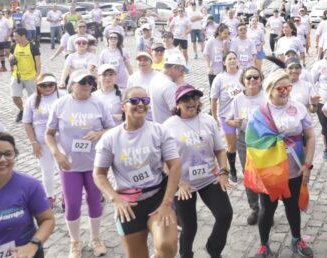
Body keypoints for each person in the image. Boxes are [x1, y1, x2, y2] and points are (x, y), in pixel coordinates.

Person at [94, 86, 181, 258]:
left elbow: (175, 165)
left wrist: (166, 203)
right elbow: (99, 174)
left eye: (145, 101)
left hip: (157, 198)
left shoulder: (159, 131)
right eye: (134, 101)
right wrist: (115, 198)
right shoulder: (110, 138)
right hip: (128, 206)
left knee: (167, 246)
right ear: (122, 105)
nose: (140, 104)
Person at [246, 70, 315, 258]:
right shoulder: (259, 113)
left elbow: (310, 136)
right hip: (270, 171)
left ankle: (296, 239)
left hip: (295, 167)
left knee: (292, 206)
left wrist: (307, 164)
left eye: (288, 87)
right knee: (268, 208)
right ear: (269, 89)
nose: (285, 91)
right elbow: (252, 142)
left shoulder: (298, 107)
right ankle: (263, 244)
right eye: (280, 88)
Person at [45, 70, 114, 258]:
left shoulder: (99, 103)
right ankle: (75, 242)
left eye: (90, 81)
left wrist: (100, 133)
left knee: (94, 202)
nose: (86, 84)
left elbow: (112, 128)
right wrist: (56, 154)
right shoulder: (60, 104)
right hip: (70, 165)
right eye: (82, 81)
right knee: (73, 204)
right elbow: (49, 133)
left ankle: (95, 238)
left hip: (95, 165)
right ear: (72, 84)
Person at [163, 84, 233, 258]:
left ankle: (214, 249)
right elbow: (163, 161)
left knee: (225, 214)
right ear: (177, 103)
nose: (192, 102)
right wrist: (179, 184)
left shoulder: (208, 120)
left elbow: (220, 150)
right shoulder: (168, 127)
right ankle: (186, 254)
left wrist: (224, 173)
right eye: (186, 99)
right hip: (183, 185)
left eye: (195, 98)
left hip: (210, 179)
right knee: (189, 227)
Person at [229, 67, 266, 225]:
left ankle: (266, 210)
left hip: (264, 139)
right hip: (244, 140)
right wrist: (233, 122)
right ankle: (254, 208)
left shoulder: (266, 96)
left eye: (255, 77)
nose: (252, 80)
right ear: (243, 80)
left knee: (265, 174)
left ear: (260, 78)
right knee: (249, 174)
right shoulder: (238, 99)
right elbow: (228, 120)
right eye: (248, 78)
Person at [22, 73, 62, 206]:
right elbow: (27, 123)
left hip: (61, 142)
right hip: (42, 142)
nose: (48, 87)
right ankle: (49, 196)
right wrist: (33, 142)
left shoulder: (63, 96)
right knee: (47, 171)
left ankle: (66, 194)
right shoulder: (32, 100)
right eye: (44, 85)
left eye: (51, 84)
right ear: (38, 86)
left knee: (63, 169)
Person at [210, 52, 244, 182]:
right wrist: (214, 117)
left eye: (234, 58)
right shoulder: (219, 78)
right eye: (229, 59)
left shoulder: (244, 74)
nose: (232, 61)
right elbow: (213, 100)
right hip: (226, 117)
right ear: (224, 62)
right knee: (232, 145)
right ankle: (233, 170)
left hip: (242, 115)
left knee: (246, 142)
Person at [10, 28, 42, 123]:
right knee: (14, 96)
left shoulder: (33, 47)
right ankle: (22, 110)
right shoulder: (14, 46)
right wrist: (11, 58)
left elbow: (38, 62)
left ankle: (33, 114)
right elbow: (10, 56)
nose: (14, 38)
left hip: (30, 77)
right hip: (17, 76)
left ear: (23, 36)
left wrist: (38, 76)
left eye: (16, 36)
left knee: (33, 98)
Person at [204, 24, 230, 88]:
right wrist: (209, 67)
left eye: (228, 33)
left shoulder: (226, 41)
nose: (226, 35)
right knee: (213, 90)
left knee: (223, 89)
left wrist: (225, 44)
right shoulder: (211, 40)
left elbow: (227, 55)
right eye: (225, 33)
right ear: (219, 32)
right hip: (213, 70)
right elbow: (206, 54)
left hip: (223, 70)